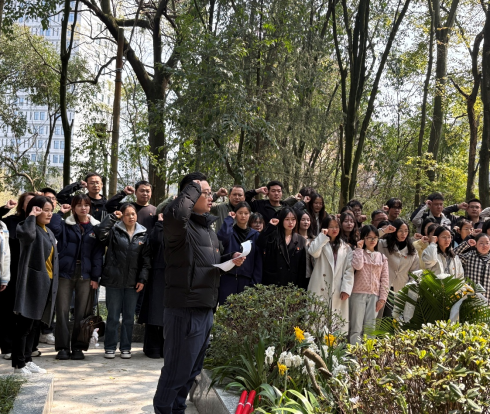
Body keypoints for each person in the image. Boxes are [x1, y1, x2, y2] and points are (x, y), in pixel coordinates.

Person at [153, 173, 245, 414]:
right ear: (189, 195)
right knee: (176, 372)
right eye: (205, 193)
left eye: (210, 192)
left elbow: (206, 264)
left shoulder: (207, 229)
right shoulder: (178, 226)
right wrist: (194, 185)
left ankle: (177, 410)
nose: (211, 196)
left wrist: (230, 259)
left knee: (191, 372)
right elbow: (177, 213)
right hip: (184, 310)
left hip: (205, 309)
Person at [48, 194, 104, 360]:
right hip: (65, 272)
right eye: (79, 205)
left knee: (82, 313)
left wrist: (95, 277)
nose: (83, 208)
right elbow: (53, 228)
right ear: (73, 207)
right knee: (62, 310)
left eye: (86, 205)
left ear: (90, 207)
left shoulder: (96, 227)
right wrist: (60, 212)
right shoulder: (66, 224)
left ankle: (78, 347)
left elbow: (98, 254)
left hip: (86, 274)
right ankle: (63, 348)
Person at [95, 203, 151, 359]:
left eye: (133, 214)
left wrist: (142, 279)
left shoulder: (143, 235)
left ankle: (126, 348)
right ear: (122, 216)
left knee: (128, 318)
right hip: (114, 281)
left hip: (133, 283)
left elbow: (146, 260)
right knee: (113, 317)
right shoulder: (114, 231)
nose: (131, 217)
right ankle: (110, 347)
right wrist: (112, 217)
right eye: (127, 214)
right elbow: (100, 233)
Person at [12, 195, 59, 375]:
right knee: (24, 325)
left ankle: (28, 359)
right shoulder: (27, 226)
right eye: (45, 210)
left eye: (50, 210)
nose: (49, 214)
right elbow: (26, 235)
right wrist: (31, 215)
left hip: (46, 283)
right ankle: (18, 364)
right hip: (32, 282)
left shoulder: (48, 231)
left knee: (34, 325)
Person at [0, 192, 36, 360]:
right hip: (11, 272)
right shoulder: (11, 221)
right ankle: (7, 347)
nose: (32, 206)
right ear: (22, 205)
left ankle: (28, 349)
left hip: (32, 273)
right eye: (29, 202)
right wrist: (4, 209)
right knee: (7, 310)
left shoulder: (41, 222)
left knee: (29, 312)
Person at [307, 215, 354, 332]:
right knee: (317, 323)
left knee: (335, 324)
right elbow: (313, 252)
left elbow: (349, 269)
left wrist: (346, 289)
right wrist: (322, 236)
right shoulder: (321, 242)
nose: (334, 229)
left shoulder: (345, 247)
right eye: (331, 227)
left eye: (336, 226)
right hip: (320, 286)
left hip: (338, 288)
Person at [349, 225, 389, 344]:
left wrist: (382, 298)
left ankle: (368, 353)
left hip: (374, 296)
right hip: (357, 294)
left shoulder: (382, 257)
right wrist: (359, 249)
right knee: (356, 327)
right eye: (369, 237)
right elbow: (357, 266)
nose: (372, 240)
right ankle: (354, 353)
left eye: (375, 237)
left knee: (370, 329)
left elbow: (385, 279)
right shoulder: (357, 253)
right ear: (363, 238)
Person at [216, 202, 262, 304]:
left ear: (250, 215)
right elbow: (222, 236)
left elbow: (258, 261)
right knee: (226, 310)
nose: (243, 216)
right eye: (240, 213)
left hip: (247, 280)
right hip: (228, 278)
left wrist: (255, 284)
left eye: (246, 213)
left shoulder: (255, 235)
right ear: (235, 214)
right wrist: (229, 219)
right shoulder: (230, 232)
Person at [378, 219, 420, 316]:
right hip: (383, 288)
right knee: (380, 318)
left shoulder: (412, 250)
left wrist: (408, 289)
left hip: (401, 290)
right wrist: (384, 231)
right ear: (394, 231)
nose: (403, 234)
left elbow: (414, 273)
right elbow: (370, 238)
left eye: (406, 231)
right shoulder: (383, 244)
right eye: (400, 230)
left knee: (395, 319)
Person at [138, 213, 166, 359]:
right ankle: (152, 347)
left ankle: (165, 347)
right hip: (157, 274)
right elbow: (155, 241)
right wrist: (160, 223)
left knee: (167, 314)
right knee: (155, 313)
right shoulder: (157, 228)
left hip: (173, 275)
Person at [257, 207, 307, 288]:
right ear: (281, 220)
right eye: (287, 219)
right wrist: (270, 226)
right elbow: (260, 243)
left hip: (292, 283)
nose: (290, 222)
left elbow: (302, 267)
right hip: (273, 282)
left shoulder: (300, 240)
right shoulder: (273, 236)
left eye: (293, 219)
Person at [455, 234, 490, 300]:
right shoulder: (469, 256)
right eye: (481, 243)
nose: (485, 245)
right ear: (475, 245)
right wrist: (466, 244)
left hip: (487, 300)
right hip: (470, 299)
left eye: (487, 243)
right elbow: (453, 255)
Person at [295, 211, 316, 279]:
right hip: (297, 275)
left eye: (308, 220)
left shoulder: (314, 239)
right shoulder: (294, 239)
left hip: (311, 275)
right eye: (303, 220)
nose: (306, 222)